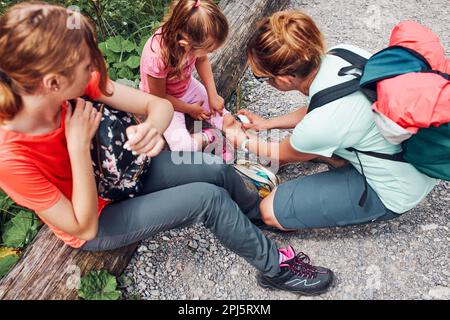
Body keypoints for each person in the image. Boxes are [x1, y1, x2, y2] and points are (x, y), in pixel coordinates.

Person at [0, 2, 334, 295]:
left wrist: (152, 127)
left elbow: (156, 105)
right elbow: (82, 226)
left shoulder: (76, 86)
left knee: (215, 168)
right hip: (99, 215)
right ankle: (275, 268)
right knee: (208, 199)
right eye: (84, 65)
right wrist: (76, 148)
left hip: (128, 173)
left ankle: (254, 216)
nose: (93, 70)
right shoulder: (11, 157)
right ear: (52, 83)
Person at [226, 10, 437, 231]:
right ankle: (339, 161)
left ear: (284, 79)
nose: (265, 82)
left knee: (269, 211)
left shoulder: (320, 126)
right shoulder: (342, 54)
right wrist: (267, 124)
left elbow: (281, 153)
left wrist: (240, 139)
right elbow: (320, 105)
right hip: (412, 154)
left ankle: (353, 182)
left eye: (262, 79)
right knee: (311, 142)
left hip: (394, 189)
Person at [140, 0, 239, 161]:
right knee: (182, 150)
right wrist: (189, 109)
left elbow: (201, 60)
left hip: (186, 87)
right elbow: (159, 99)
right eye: (209, 49)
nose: (211, 52)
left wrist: (212, 95)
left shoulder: (190, 38)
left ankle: (227, 143)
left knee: (224, 117)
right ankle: (210, 137)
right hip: (164, 102)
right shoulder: (156, 57)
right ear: (186, 45)